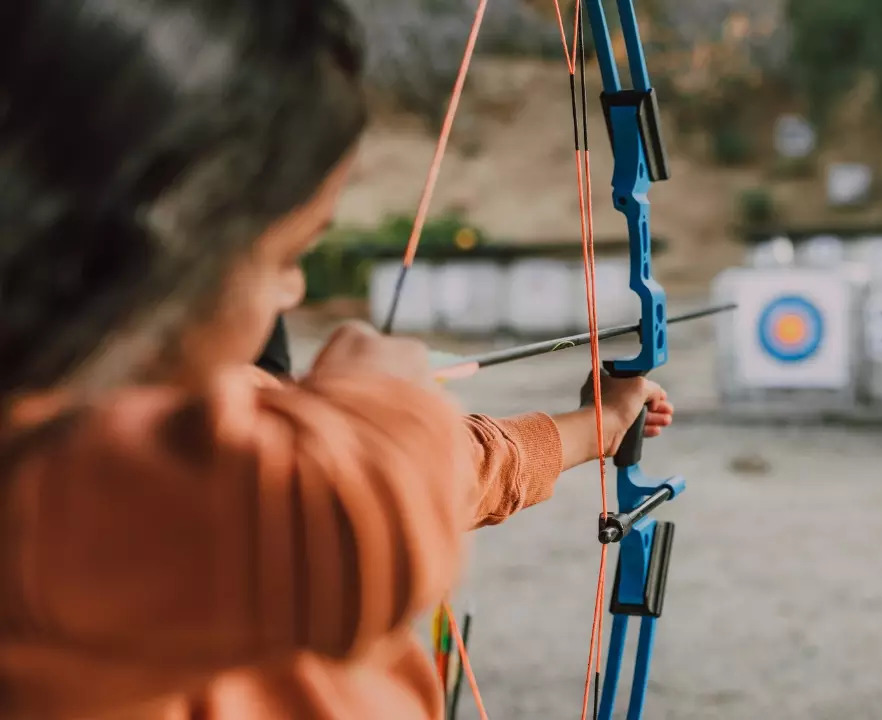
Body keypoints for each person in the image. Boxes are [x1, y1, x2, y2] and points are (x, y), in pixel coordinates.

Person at [0, 1, 674, 718]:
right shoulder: (53, 483)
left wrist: (594, 427)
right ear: (156, 246)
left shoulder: (216, 444)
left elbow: (446, 470)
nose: (293, 290)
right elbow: (357, 507)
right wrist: (377, 393)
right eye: (287, 256)